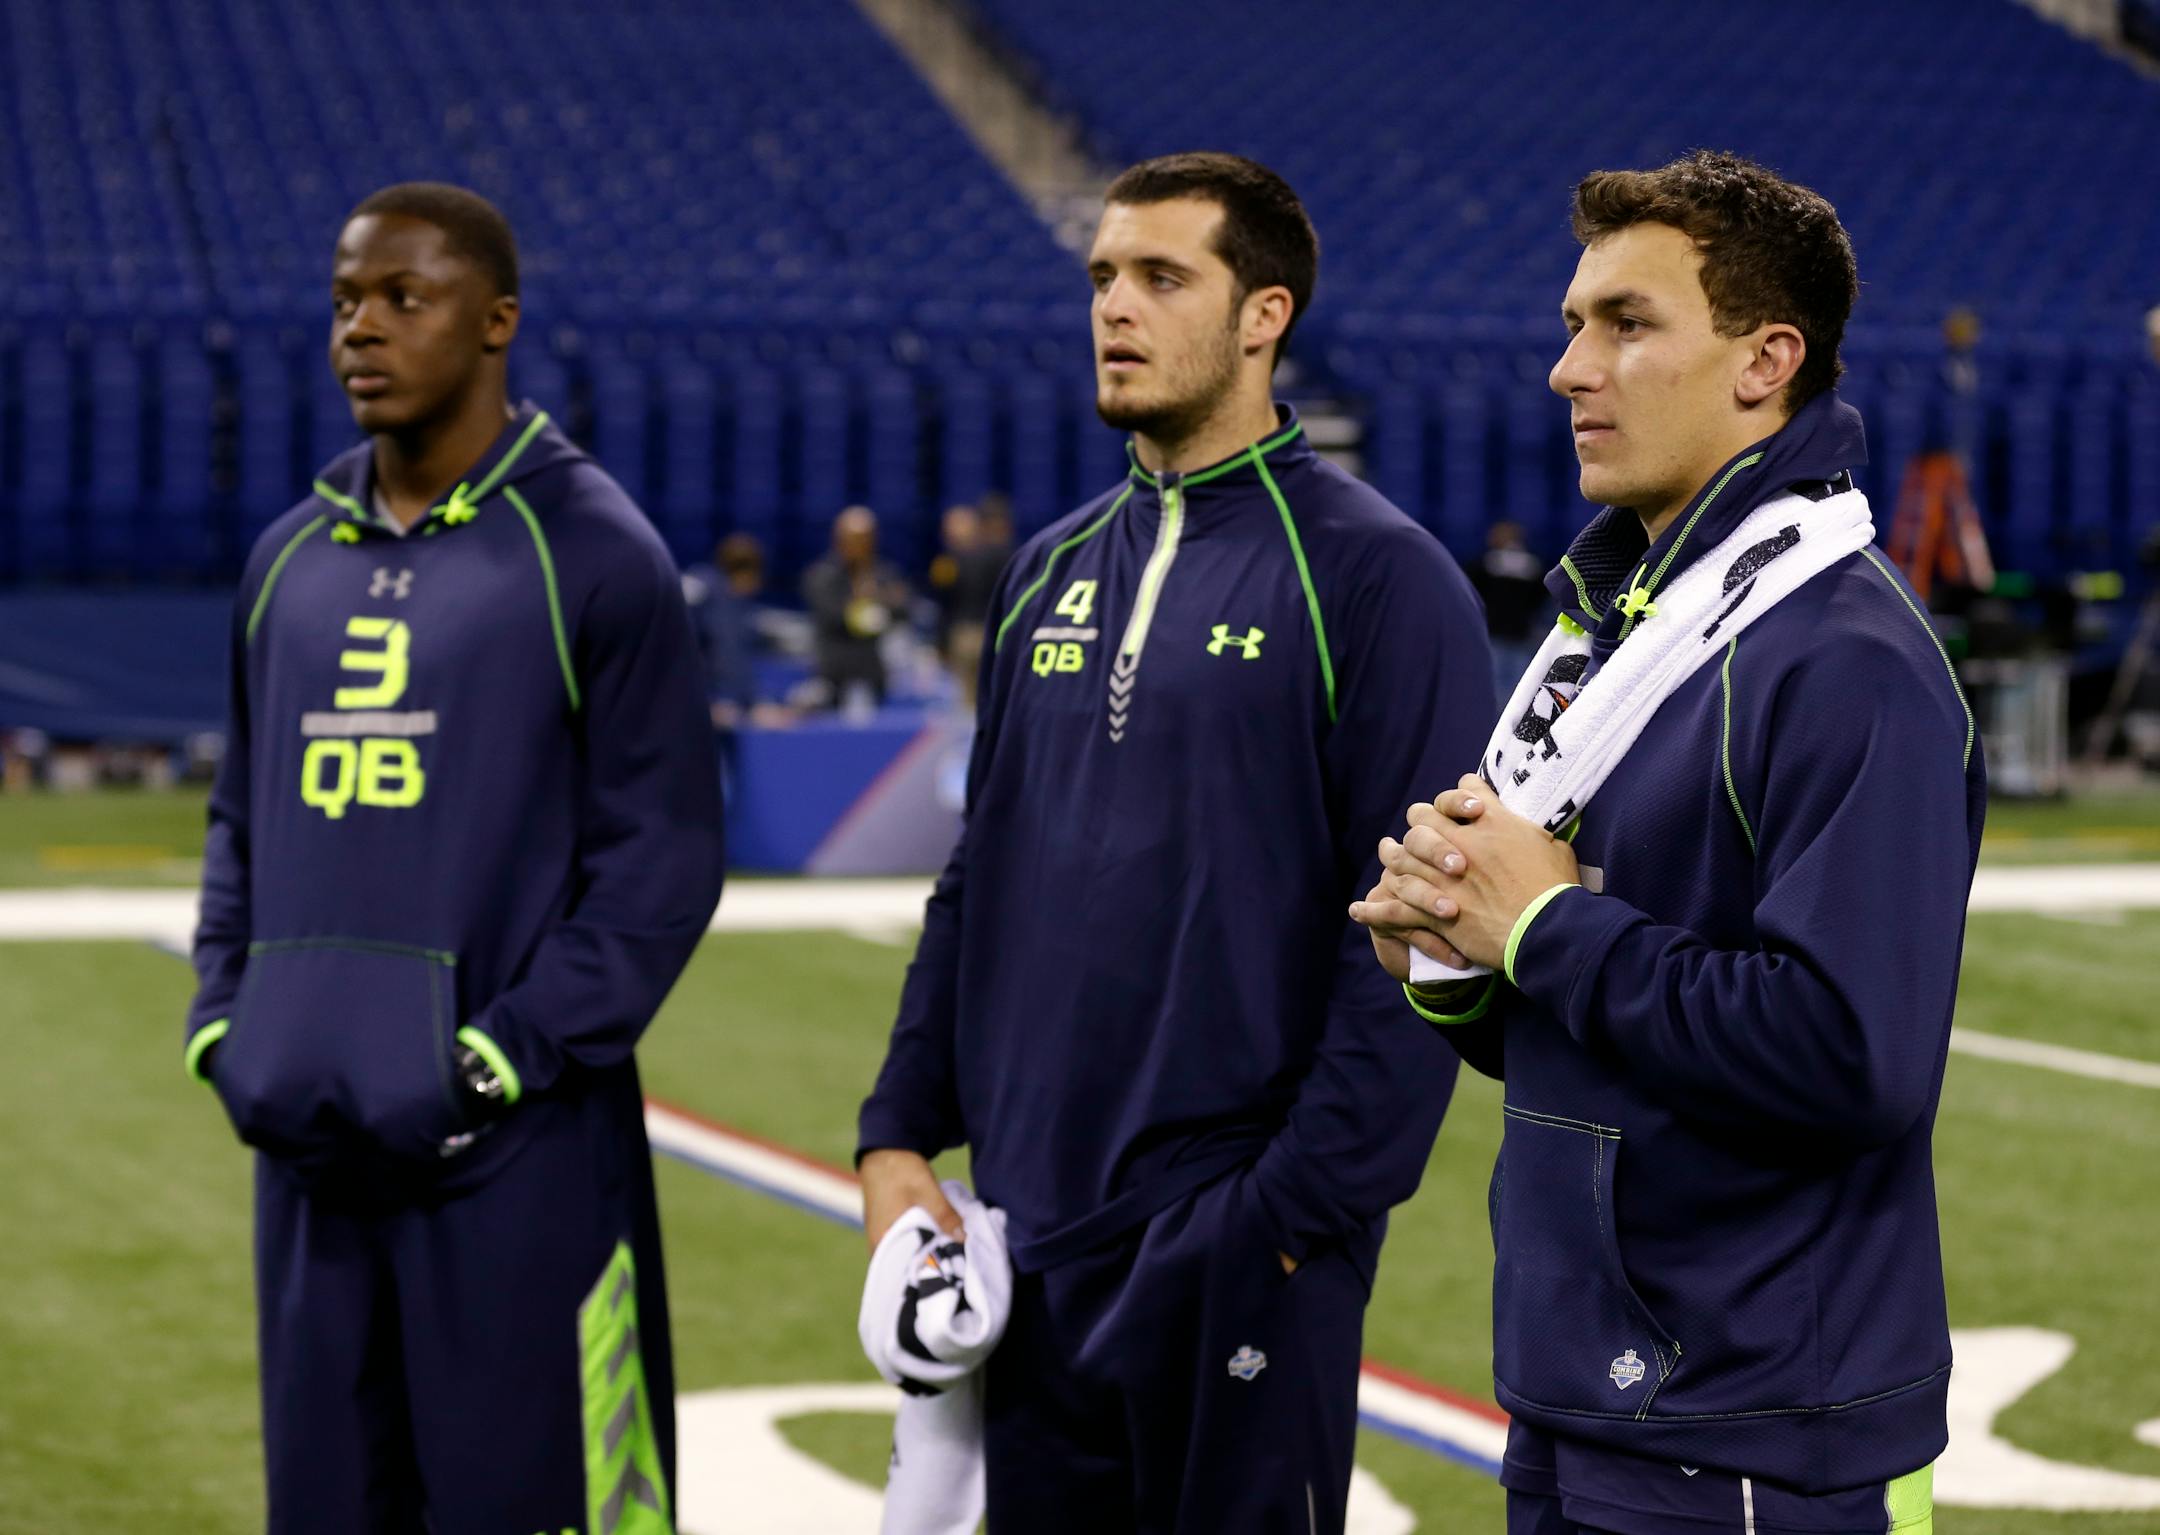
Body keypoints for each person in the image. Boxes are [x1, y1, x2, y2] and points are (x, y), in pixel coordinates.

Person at [856, 151, 1494, 1534]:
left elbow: (1430, 932)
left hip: (1236, 1249)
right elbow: (985, 869)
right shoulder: (1045, 571)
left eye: (1161, 277)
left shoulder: (1380, 578)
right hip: (1025, 1243)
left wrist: (1281, 1218)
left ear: (1264, 314)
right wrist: (897, 1130)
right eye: (1101, 277)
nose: (1115, 308)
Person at [1353, 151, 1983, 1535]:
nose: (1572, 368)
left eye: (1627, 325)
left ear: (1768, 361)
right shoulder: (1631, 625)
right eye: (1576, 324)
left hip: (1755, 1421)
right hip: (1591, 1385)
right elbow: (1600, 1031)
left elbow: (1845, 1056)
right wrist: (1460, 958)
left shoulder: (1844, 654)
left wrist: (1545, 925)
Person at [182, 182, 724, 1534]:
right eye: (345, 300)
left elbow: (661, 862)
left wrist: (499, 1055)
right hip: (307, 1155)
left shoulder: (594, 552)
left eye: (401, 299)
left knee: (541, 1509)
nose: (360, 328)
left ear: (495, 323)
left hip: (518, 1157)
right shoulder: (284, 559)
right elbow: (240, 819)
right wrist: (220, 1023)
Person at [803, 504, 911, 710]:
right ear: (839, 538)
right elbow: (834, 616)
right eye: (853, 538)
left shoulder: (883, 573)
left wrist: (874, 606)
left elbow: (904, 609)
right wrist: (876, 608)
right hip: (834, 673)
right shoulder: (823, 575)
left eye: (866, 538)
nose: (860, 545)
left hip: (872, 671)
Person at [926, 501, 1011, 707]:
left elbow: (944, 604)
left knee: (970, 699)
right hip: (980, 632)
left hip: (969, 634)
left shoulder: (952, 563)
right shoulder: (950, 563)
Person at [1470, 520, 1550, 707]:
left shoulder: (1530, 566)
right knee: (1500, 686)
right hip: (1499, 634)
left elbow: (1541, 597)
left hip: (1514, 635)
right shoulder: (1487, 564)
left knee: (1515, 687)